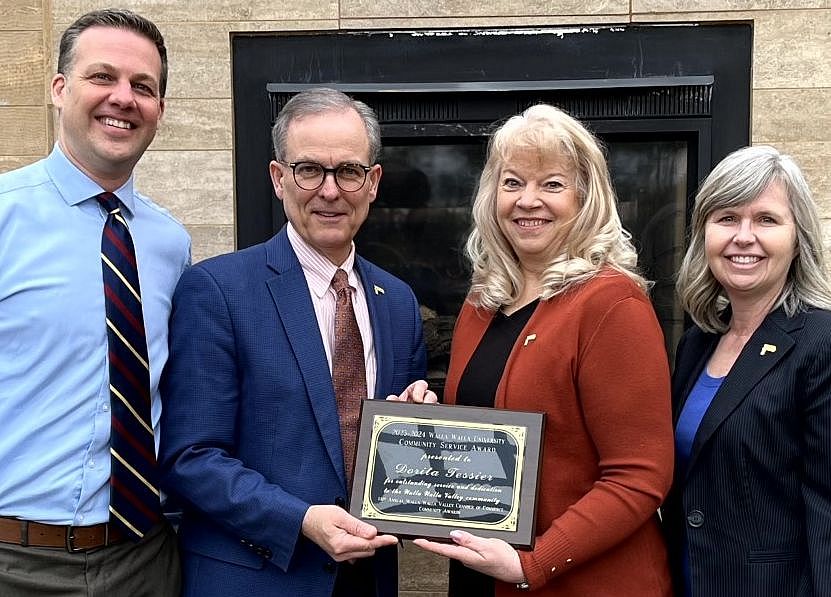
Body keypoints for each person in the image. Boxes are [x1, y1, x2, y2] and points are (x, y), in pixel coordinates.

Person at [158, 87, 430, 597]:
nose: (330, 190)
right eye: (309, 170)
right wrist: (300, 519)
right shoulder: (217, 290)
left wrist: (418, 427)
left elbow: (393, 456)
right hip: (255, 579)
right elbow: (189, 456)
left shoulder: (397, 302)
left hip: (368, 579)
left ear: (373, 182)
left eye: (348, 171)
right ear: (278, 178)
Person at [394, 104, 674, 595]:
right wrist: (428, 424)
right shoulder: (483, 303)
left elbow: (639, 476)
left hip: (579, 583)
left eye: (552, 184)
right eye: (513, 182)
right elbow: (492, 436)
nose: (528, 200)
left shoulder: (611, 303)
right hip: (483, 573)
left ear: (585, 197)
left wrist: (533, 563)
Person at [0, 8, 189, 596]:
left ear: (159, 108)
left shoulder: (170, 243)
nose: (123, 98)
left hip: (145, 559)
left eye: (143, 86)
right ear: (60, 89)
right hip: (14, 560)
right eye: (102, 76)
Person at [662, 145, 831, 596]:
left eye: (766, 220)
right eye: (727, 218)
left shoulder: (821, 343)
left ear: (798, 238)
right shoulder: (697, 342)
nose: (743, 236)